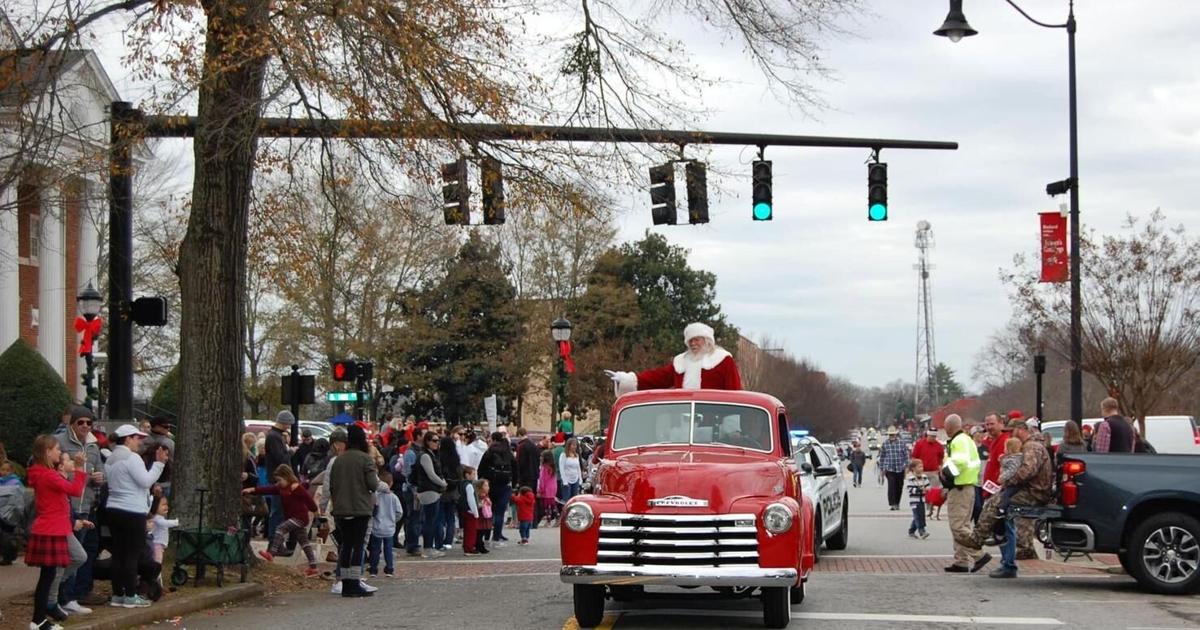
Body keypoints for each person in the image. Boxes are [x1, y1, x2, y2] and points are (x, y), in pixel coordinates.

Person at [972, 418, 1054, 579]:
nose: (1010, 434)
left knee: (997, 505)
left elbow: (1027, 471)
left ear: (1021, 430)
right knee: (999, 509)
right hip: (1030, 491)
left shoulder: (1031, 447)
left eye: (1012, 431)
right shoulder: (1028, 446)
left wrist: (1007, 481)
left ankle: (978, 538)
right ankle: (995, 545)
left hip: (1034, 493)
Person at [25, 435, 88, 630]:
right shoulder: (48, 475)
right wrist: (78, 469)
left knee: (49, 575)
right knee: (47, 577)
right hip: (52, 528)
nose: (60, 453)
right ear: (47, 451)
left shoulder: (41, 473)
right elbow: (75, 490)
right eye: (57, 449)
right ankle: (38, 619)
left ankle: (42, 615)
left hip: (50, 527)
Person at [105, 424, 166, 608]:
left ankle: (118, 594)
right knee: (132, 554)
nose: (140, 441)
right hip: (132, 511)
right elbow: (146, 481)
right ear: (128, 439)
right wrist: (159, 464)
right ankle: (131, 595)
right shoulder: (132, 458)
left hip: (113, 508)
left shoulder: (111, 458)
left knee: (119, 553)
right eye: (137, 438)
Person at [54, 406, 105, 608]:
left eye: (88, 422)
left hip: (88, 504)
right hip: (69, 505)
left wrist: (100, 478)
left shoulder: (93, 445)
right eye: (80, 422)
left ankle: (77, 593)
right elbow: (52, 466)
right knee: (73, 554)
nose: (85, 426)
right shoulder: (60, 442)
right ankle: (64, 597)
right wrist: (73, 470)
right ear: (72, 423)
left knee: (85, 552)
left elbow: (100, 469)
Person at [606, 322, 742, 393]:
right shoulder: (681, 362)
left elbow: (735, 391)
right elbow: (656, 378)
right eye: (690, 341)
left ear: (707, 340)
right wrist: (627, 380)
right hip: (682, 420)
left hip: (716, 420)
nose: (693, 344)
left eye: (697, 340)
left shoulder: (723, 360)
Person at [328, 425, 381, 597]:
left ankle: (344, 582)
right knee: (357, 546)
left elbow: (332, 485)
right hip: (359, 507)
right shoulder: (365, 459)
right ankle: (354, 582)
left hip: (341, 509)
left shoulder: (339, 460)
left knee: (345, 546)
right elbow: (373, 484)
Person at [246, 464, 320, 577]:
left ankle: (272, 553)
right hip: (292, 518)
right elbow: (268, 489)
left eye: (280, 480)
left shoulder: (295, 487)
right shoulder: (280, 488)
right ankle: (313, 567)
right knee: (304, 543)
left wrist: (315, 510)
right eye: (277, 480)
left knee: (280, 528)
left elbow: (308, 499)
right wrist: (253, 490)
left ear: (287, 477)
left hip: (300, 518)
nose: (279, 482)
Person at [942, 414, 991, 574]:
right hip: (967, 485)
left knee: (957, 526)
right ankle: (961, 561)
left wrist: (946, 473)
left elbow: (960, 462)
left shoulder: (958, 441)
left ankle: (978, 555)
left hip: (960, 487)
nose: (945, 429)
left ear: (951, 426)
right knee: (962, 524)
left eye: (946, 426)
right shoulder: (966, 440)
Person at [412, 431, 448, 559]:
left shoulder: (432, 455)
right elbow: (431, 474)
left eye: (438, 440)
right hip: (429, 490)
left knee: (432, 519)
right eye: (434, 440)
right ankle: (427, 547)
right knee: (430, 520)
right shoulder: (425, 456)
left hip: (433, 490)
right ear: (427, 441)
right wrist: (443, 483)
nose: (437, 443)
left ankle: (429, 546)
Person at [478, 431, 516, 545]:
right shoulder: (508, 452)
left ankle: (486, 535)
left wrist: (483, 484)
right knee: (500, 512)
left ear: (493, 440)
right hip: (505, 485)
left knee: (488, 511)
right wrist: (514, 484)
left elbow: (481, 469)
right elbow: (515, 468)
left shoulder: (489, 452)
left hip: (490, 486)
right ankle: (497, 536)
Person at [264, 411, 295, 539]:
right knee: (278, 511)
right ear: (284, 422)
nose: (289, 427)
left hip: (277, 477)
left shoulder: (274, 436)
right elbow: (280, 458)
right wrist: (290, 452)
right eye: (288, 424)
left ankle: (276, 540)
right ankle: (274, 539)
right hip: (279, 478)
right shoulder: (274, 437)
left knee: (279, 510)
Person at [367, 471, 403, 577]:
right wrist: (393, 520)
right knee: (388, 549)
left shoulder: (375, 496)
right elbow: (399, 512)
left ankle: (373, 569)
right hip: (389, 527)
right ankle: (389, 568)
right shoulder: (394, 497)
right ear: (391, 483)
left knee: (375, 549)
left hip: (377, 526)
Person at [437, 427, 463, 551]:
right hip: (453, 491)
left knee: (440, 517)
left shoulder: (439, 458)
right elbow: (459, 474)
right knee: (451, 517)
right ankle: (449, 541)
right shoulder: (455, 459)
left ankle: (439, 541)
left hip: (442, 490)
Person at [141, 417, 176, 498]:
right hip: (165, 483)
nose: (168, 428)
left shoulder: (142, 441)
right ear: (156, 427)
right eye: (165, 427)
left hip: (146, 482)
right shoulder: (169, 443)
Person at [877, 427, 908, 510]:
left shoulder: (902, 443)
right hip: (889, 469)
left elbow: (906, 456)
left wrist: (906, 467)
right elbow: (882, 456)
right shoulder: (885, 444)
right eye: (890, 435)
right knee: (891, 486)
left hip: (900, 468)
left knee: (899, 486)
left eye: (893, 434)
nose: (892, 436)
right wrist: (881, 469)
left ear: (896, 434)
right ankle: (892, 503)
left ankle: (897, 503)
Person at [910, 429, 945, 497]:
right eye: (932, 436)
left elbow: (941, 459)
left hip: (934, 472)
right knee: (923, 492)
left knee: (934, 492)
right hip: (922, 472)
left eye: (934, 436)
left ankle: (932, 506)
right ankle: (924, 505)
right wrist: (913, 470)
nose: (933, 438)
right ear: (928, 435)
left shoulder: (939, 446)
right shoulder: (919, 444)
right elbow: (914, 457)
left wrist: (940, 470)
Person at [905, 459, 930, 539]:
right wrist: (918, 490)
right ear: (913, 468)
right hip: (914, 500)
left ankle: (911, 530)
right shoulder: (911, 478)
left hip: (922, 500)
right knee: (917, 515)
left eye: (922, 467)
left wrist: (927, 490)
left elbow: (928, 486)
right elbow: (909, 489)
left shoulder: (924, 477)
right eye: (919, 467)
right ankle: (921, 531)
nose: (921, 468)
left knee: (921, 515)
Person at [459, 467, 480, 555]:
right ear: (467, 475)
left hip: (464, 509)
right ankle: (470, 548)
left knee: (467, 530)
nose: (475, 476)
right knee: (471, 531)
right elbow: (471, 500)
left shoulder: (462, 484)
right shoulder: (469, 485)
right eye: (473, 474)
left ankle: (466, 546)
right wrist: (476, 512)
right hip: (470, 511)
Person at [558, 438, 584, 503]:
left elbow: (578, 468)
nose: (574, 447)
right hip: (567, 480)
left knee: (575, 499)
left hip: (575, 479)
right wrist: (564, 481)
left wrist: (580, 479)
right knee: (567, 500)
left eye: (575, 445)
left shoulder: (577, 455)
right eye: (573, 445)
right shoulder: (563, 455)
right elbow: (561, 468)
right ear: (569, 445)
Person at [474, 479, 492, 555]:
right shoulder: (479, 495)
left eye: (487, 485)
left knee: (482, 531)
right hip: (481, 516)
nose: (487, 487)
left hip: (484, 515)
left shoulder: (485, 495)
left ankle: (480, 545)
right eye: (485, 485)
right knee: (480, 532)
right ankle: (479, 546)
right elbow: (479, 504)